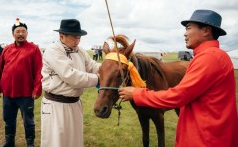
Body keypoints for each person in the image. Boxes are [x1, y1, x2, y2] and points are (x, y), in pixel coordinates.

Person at [118, 10, 238, 147]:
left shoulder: (209, 58)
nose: (185, 33)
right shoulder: (215, 56)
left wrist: (136, 93)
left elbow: (178, 96)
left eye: (188, 28)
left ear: (206, 30)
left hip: (205, 138)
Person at [40, 19, 101, 147]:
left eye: (79, 38)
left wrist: (111, 67)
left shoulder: (80, 50)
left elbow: (92, 65)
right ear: (61, 36)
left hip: (74, 104)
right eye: (74, 38)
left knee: (74, 142)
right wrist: (98, 79)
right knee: (56, 142)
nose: (77, 41)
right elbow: (71, 76)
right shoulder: (53, 50)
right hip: (56, 105)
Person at [0, 18, 43, 147]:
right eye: (18, 31)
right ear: (13, 34)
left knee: (28, 120)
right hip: (8, 93)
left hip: (26, 94)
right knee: (9, 119)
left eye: (23, 31)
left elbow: (39, 70)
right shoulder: (6, 49)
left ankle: (30, 143)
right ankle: (9, 142)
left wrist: (37, 89)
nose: (21, 34)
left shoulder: (34, 49)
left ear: (27, 34)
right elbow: (0, 69)